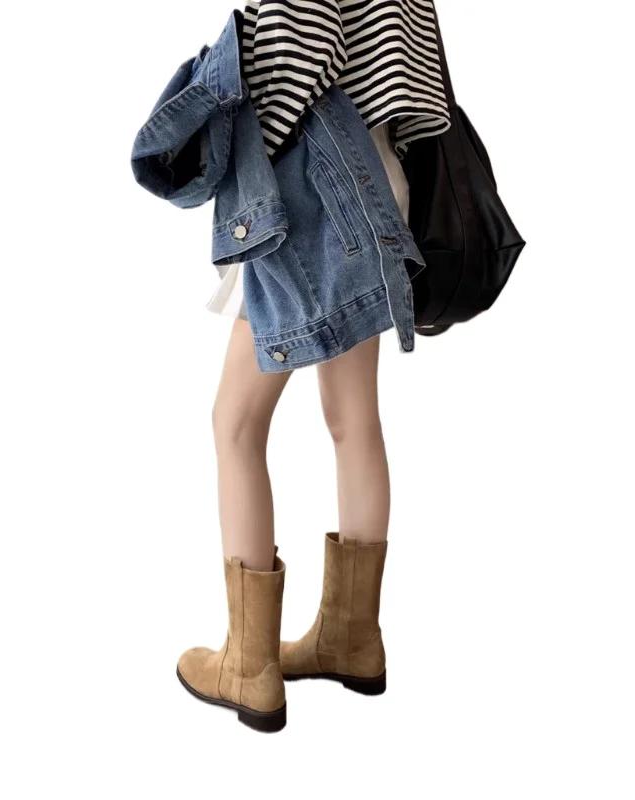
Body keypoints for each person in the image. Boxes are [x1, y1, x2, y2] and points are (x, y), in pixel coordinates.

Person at [175, 0, 451, 732]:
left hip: (315, 189)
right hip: (377, 177)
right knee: (354, 419)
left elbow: (291, 52)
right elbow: (423, 88)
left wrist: (231, 144)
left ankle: (249, 665)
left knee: (235, 422)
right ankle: (351, 640)